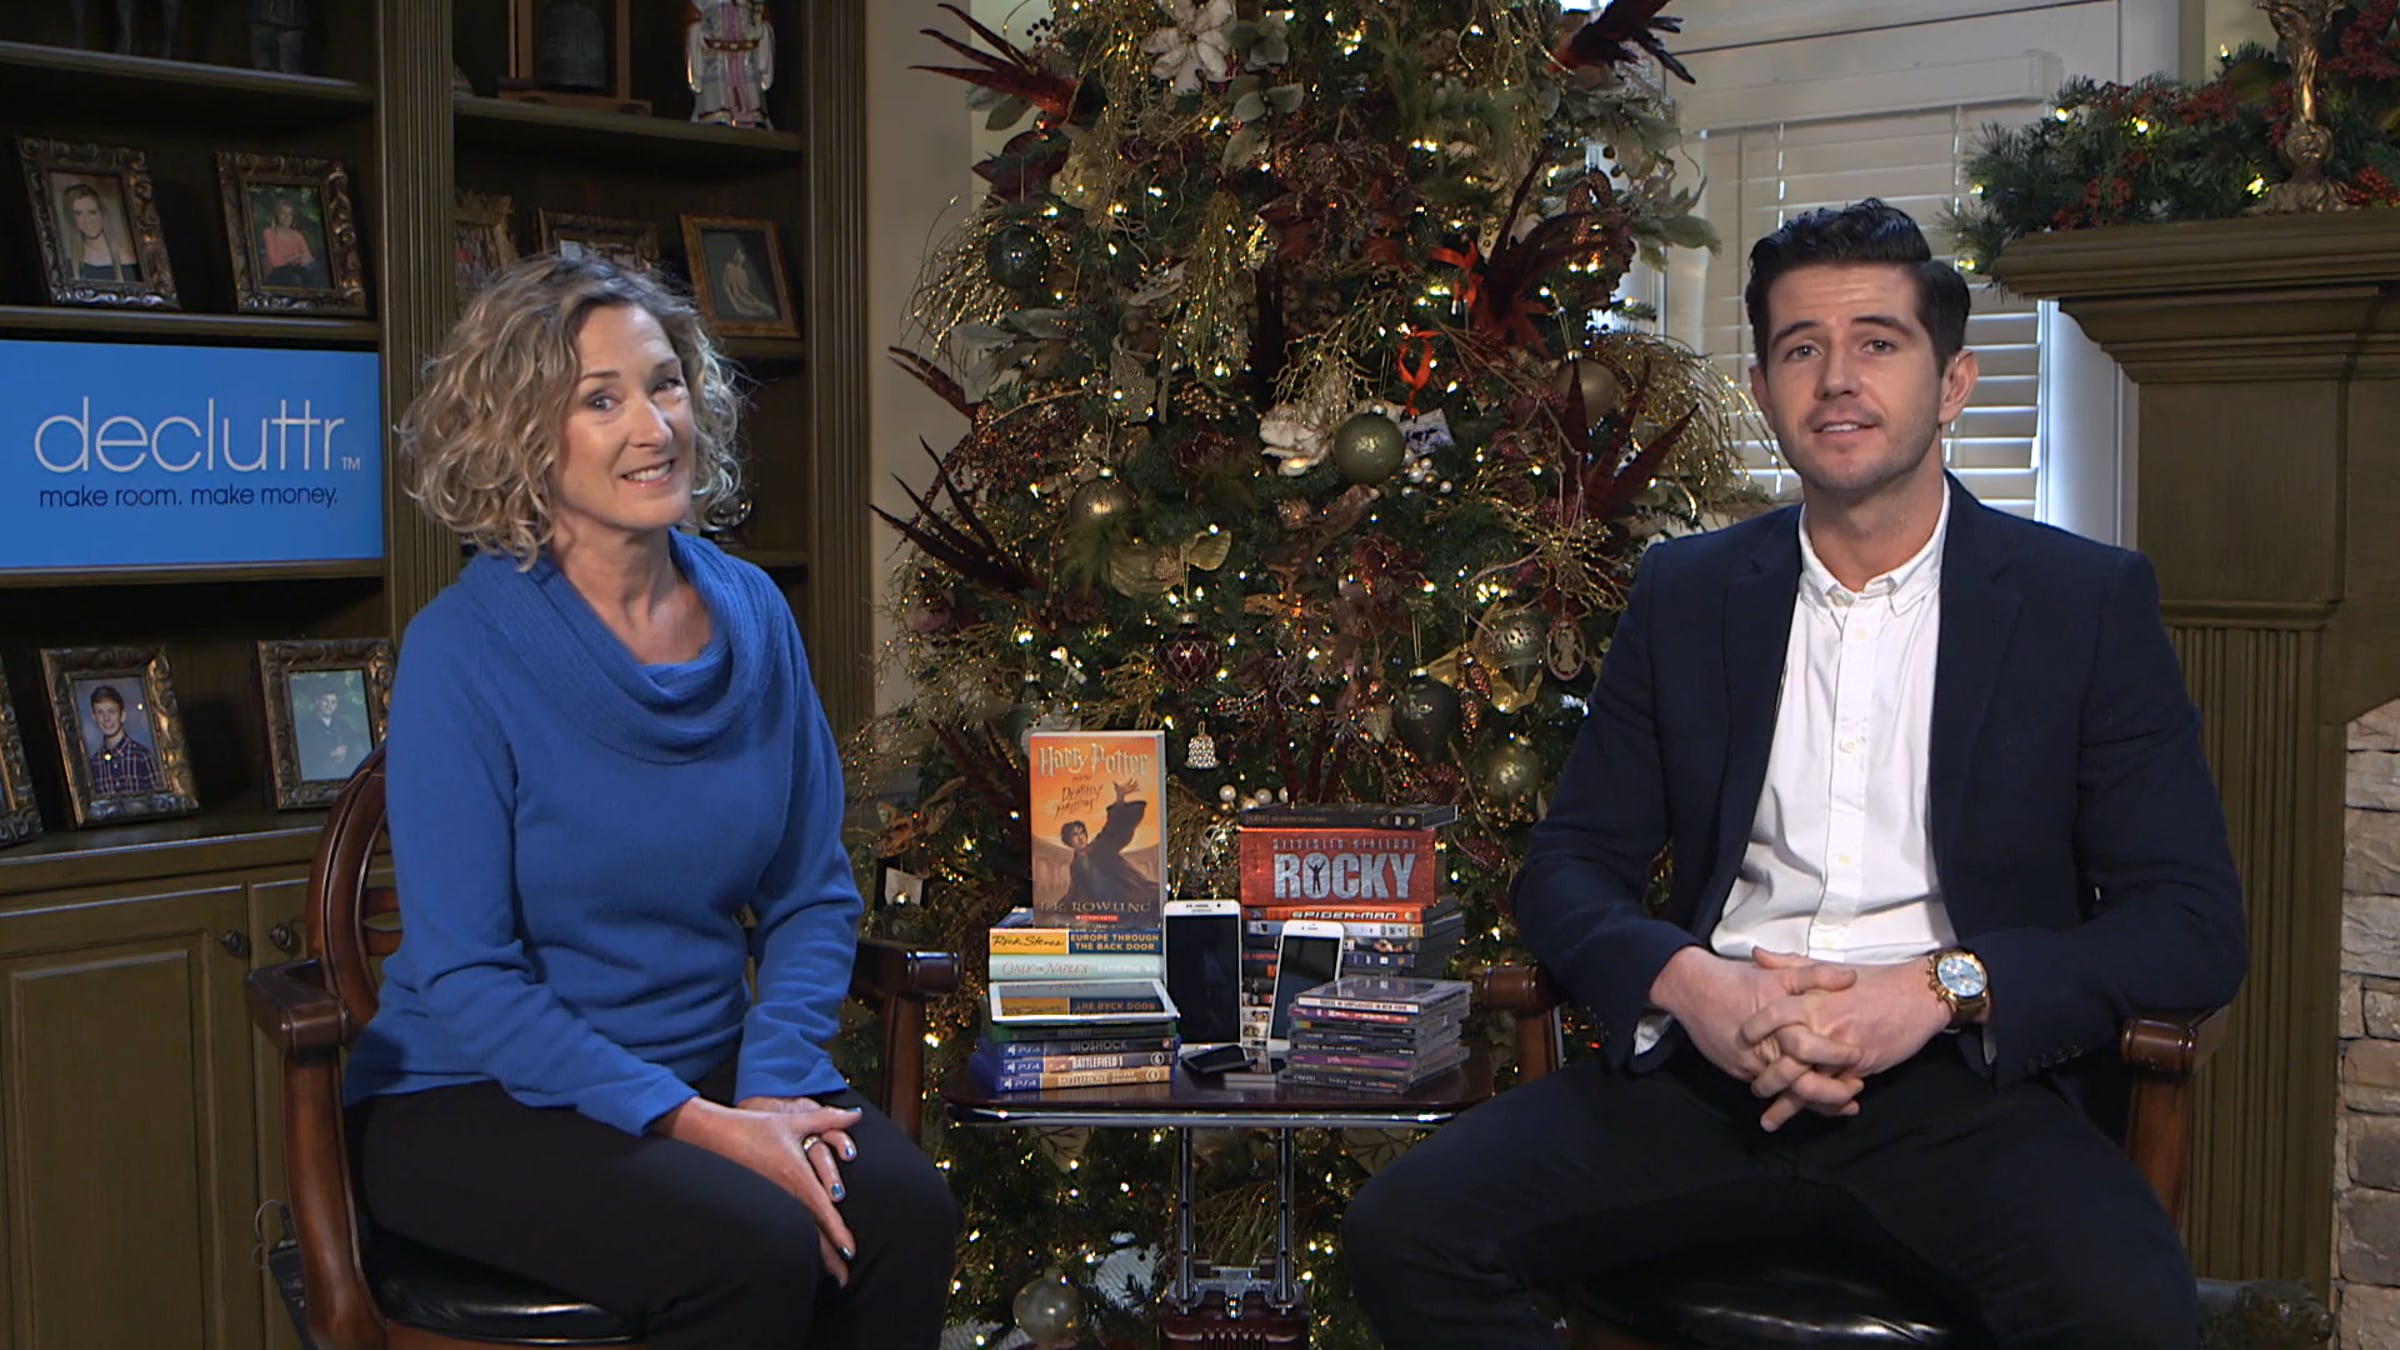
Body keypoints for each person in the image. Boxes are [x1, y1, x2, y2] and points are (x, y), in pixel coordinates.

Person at [1343, 200, 2248, 1348]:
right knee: (1405, 1234)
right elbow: (1569, 867)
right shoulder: (1687, 594)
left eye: (1878, 342)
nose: (1838, 379)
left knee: (2133, 1319)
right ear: (1765, 392)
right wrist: (1694, 987)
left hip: (1962, 1088)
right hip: (1713, 1065)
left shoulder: (2083, 603)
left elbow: (2191, 923)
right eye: (1801, 349)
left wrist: (1938, 990)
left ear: (1953, 384)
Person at [343, 254, 959, 1349]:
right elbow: (471, 977)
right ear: (522, 438)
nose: (653, 426)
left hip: (714, 1066)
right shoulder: (461, 651)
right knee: (754, 1245)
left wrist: (771, 1088)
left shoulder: (755, 615)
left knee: (905, 1216)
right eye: (601, 399)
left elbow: (812, 895)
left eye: (665, 384)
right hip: (479, 1094)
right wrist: (702, 1127)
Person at [1055, 779, 1158, 921]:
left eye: (1082, 832)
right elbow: (1075, 891)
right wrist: (1060, 907)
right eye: (1075, 834)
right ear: (1068, 841)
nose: (1080, 837)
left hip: (1126, 904)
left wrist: (1120, 799)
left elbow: (1112, 828)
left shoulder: (1099, 847)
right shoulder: (1075, 865)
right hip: (1103, 912)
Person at [84, 684, 160, 796]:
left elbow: (159, 799)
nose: (106, 718)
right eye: (100, 712)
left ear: (122, 716)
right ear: (94, 717)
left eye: (112, 712)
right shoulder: (94, 764)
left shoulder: (142, 756)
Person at [60, 182, 138, 283]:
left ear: (102, 213)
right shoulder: (67, 264)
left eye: (92, 213)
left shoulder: (128, 260)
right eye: (79, 214)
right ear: (71, 218)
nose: (87, 221)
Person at [291, 686, 369, 781]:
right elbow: (306, 751)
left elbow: (354, 740)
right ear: (317, 701)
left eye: (333, 702)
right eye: (325, 701)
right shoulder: (307, 725)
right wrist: (330, 754)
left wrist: (344, 749)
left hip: (343, 768)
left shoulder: (341, 723)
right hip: (318, 771)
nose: (329, 705)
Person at [259, 195, 321, 288]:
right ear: (277, 215)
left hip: (296, 270)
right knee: (295, 278)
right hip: (275, 274)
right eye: (283, 213)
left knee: (312, 269)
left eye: (290, 214)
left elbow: (308, 257)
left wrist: (304, 260)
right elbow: (275, 262)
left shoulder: (297, 235)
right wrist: (295, 258)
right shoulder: (269, 233)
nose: (287, 217)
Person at [717, 237, 776, 318]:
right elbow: (727, 286)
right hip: (737, 299)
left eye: (741, 254)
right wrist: (733, 300)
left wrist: (754, 299)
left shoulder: (743, 272)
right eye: (736, 253)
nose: (739, 256)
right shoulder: (729, 267)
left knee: (767, 309)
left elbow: (745, 290)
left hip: (746, 297)